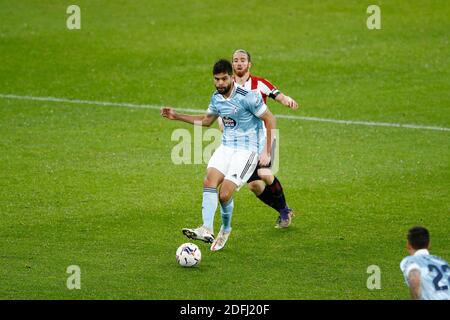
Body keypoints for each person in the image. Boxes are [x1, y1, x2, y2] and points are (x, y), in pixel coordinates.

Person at [161, 59, 276, 251]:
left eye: (224, 79)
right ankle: (206, 228)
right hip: (226, 148)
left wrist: (266, 151)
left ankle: (226, 228)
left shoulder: (248, 97)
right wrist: (177, 116)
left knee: (224, 195)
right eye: (217, 79)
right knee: (209, 182)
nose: (220, 83)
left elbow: (270, 118)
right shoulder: (216, 98)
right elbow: (206, 121)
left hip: (247, 151)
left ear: (232, 77)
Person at [219, 49, 299, 228]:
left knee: (264, 173)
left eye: (242, 60)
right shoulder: (226, 86)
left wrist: (287, 101)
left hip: (263, 137)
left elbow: (278, 95)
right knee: (254, 185)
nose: (239, 63)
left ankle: (284, 211)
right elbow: (220, 109)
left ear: (249, 64)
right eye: (235, 60)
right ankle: (283, 209)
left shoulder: (259, 83)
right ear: (232, 64)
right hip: (242, 144)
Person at [400, 226, 450, 300]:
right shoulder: (441, 262)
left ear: (408, 244)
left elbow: (414, 277)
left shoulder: (410, 261)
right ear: (429, 244)